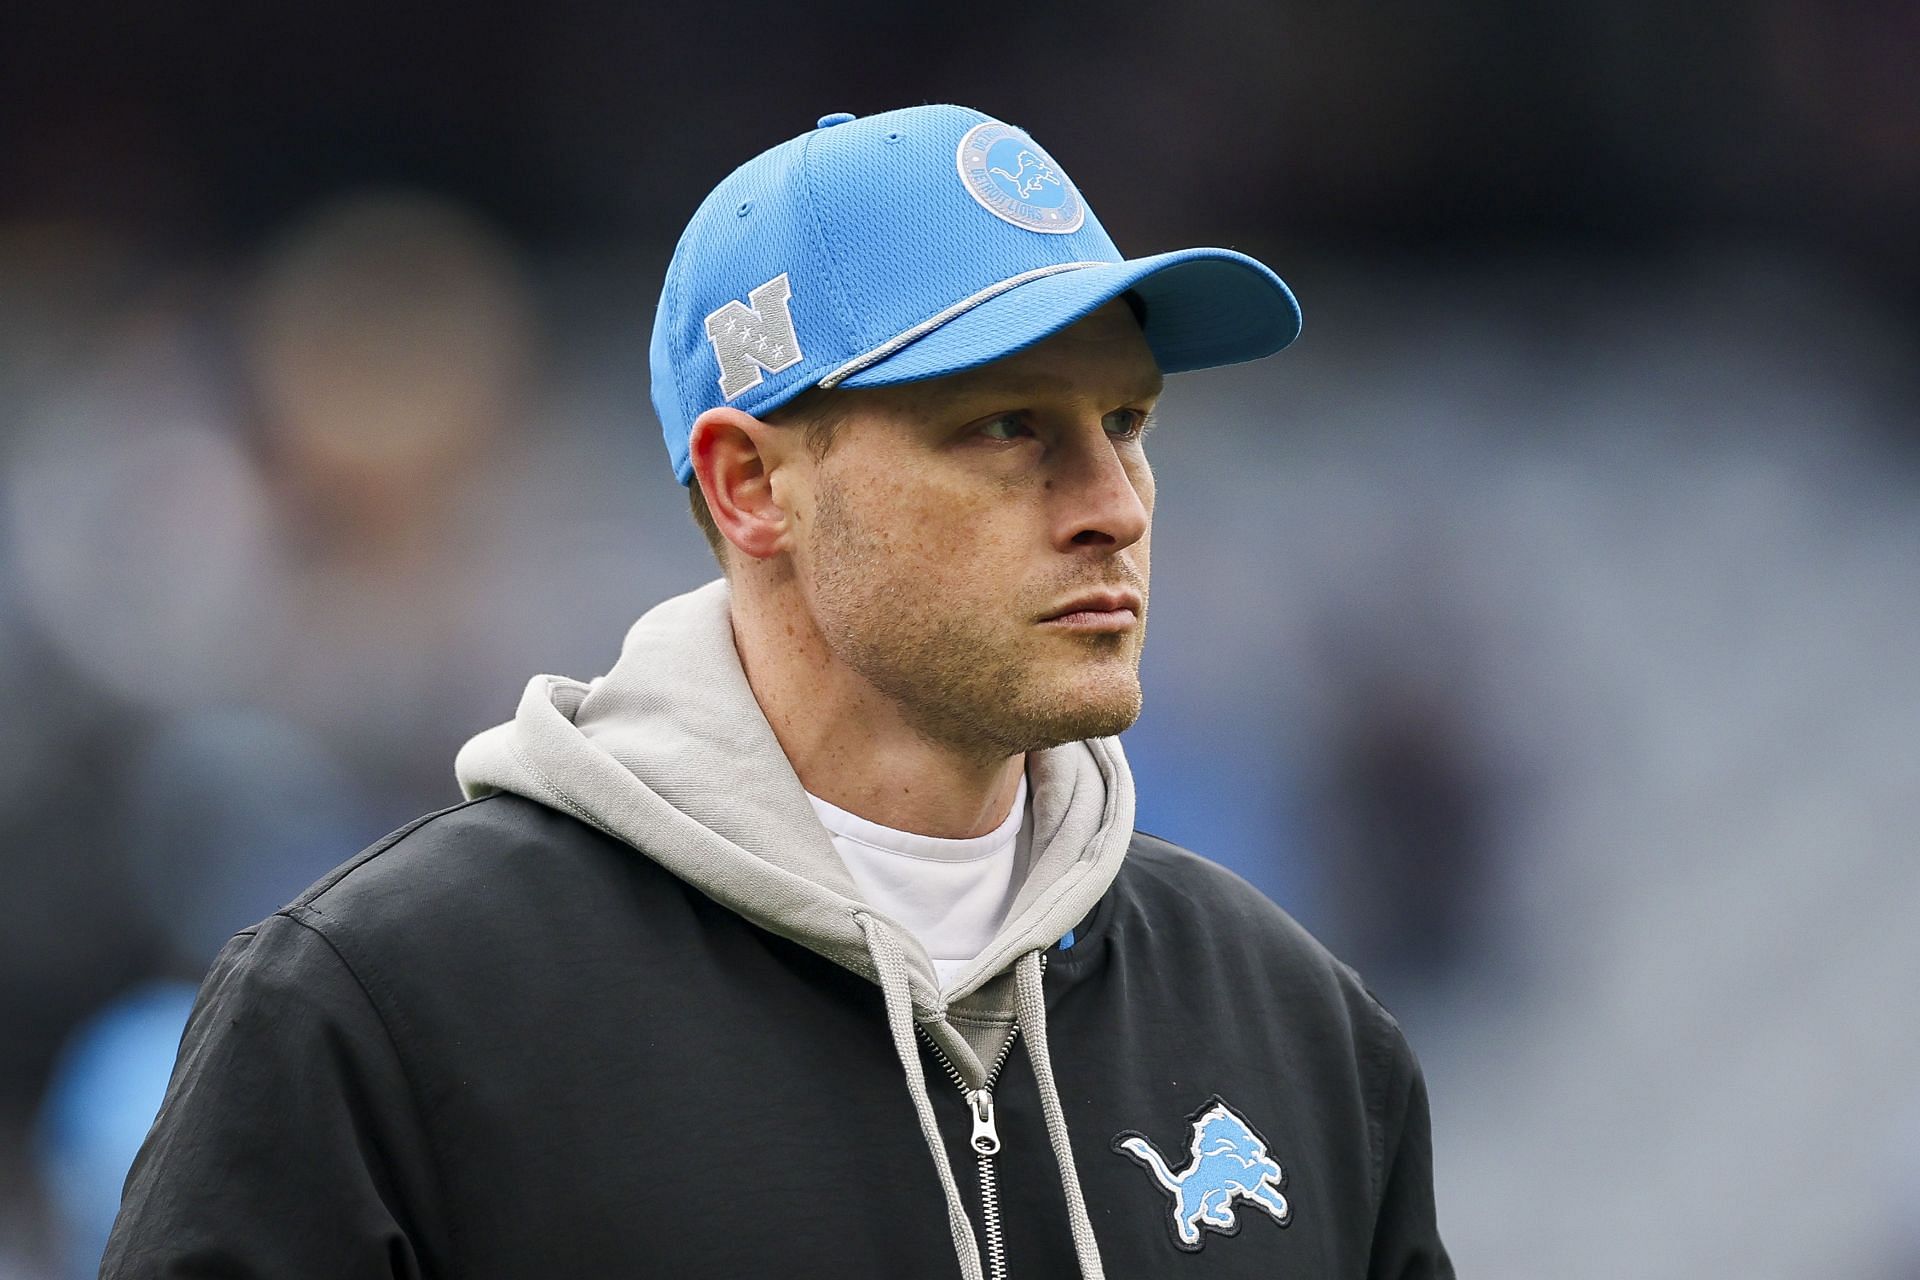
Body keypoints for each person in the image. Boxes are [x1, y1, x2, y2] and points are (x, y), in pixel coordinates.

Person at [103, 105, 1453, 1279]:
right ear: (753, 486)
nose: (1112, 506)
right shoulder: (386, 1014)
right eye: (1007, 427)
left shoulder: (1302, 1032)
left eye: (1126, 425)